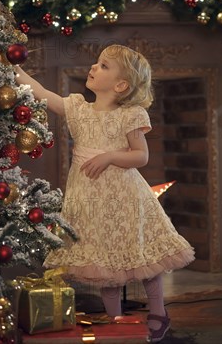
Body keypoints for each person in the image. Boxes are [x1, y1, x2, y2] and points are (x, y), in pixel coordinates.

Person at [14, 44, 195, 342]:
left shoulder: (129, 115)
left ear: (120, 85)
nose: (94, 68)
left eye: (103, 66)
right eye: (96, 64)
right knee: (105, 266)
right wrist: (15, 70)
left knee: (144, 259)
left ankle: (159, 313)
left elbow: (140, 156)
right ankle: (116, 323)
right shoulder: (78, 109)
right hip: (90, 201)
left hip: (125, 199)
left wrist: (110, 157)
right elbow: (42, 94)